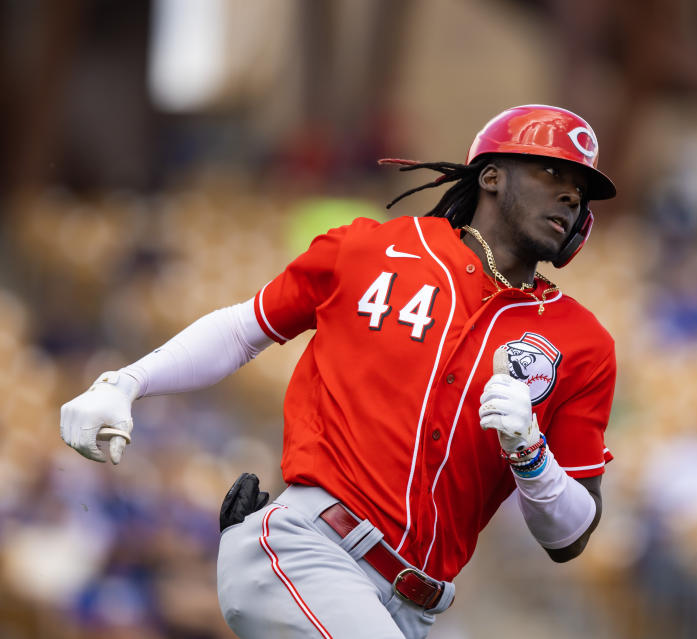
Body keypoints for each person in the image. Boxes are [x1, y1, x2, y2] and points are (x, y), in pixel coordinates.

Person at [60, 104, 618, 639]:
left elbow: (568, 537)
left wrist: (530, 455)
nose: (571, 193)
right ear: (491, 176)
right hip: (309, 550)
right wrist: (125, 382)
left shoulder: (583, 343)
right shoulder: (370, 249)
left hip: (414, 609)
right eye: (553, 171)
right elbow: (242, 329)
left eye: (582, 188)